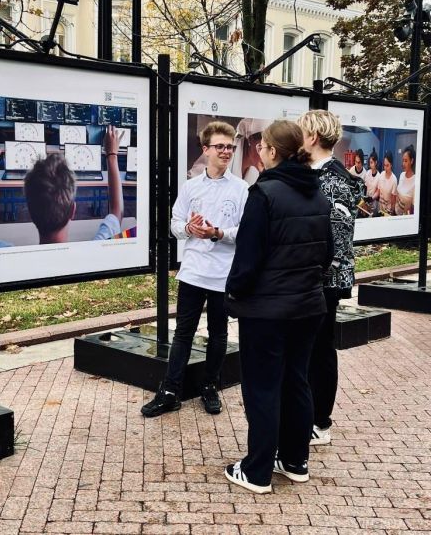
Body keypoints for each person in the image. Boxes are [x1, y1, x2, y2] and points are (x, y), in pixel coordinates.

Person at [223, 120, 333, 494]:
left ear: (271, 151)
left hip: (267, 310)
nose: (260, 152)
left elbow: (247, 259)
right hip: (307, 307)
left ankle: (256, 471)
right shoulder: (317, 195)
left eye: (263, 147)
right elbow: (328, 254)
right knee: (296, 381)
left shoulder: (264, 194)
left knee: (263, 387)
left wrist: (233, 294)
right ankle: (295, 459)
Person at [141, 121, 249, 417]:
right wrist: (189, 227)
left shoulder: (241, 189)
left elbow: (246, 231)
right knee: (183, 334)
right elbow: (174, 224)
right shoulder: (191, 186)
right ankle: (169, 391)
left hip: (222, 275)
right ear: (206, 150)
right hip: (192, 272)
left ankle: (210, 387)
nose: (226, 151)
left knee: (218, 335)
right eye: (220, 146)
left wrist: (218, 233)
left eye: (230, 146)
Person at [297, 110, 363, 446]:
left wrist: (314, 277)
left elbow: (336, 239)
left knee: (321, 350)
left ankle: (320, 421)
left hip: (325, 281)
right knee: (310, 350)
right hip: (311, 279)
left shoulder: (334, 179)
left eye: (301, 131)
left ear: (312, 137)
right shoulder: (312, 173)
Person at [0, 127, 123, 247]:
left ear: (29, 211)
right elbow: (117, 212)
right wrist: (112, 155)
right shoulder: (96, 251)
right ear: (73, 210)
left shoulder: (7, 259)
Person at [395, 145, 416, 215]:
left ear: (412, 161)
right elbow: (398, 193)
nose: (403, 164)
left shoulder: (415, 181)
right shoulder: (402, 175)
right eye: (403, 160)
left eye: (406, 161)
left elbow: (413, 208)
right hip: (396, 213)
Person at [376, 150, 397, 216]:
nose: (385, 168)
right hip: (380, 208)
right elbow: (378, 191)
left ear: (391, 165)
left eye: (387, 165)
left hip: (388, 211)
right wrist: (371, 198)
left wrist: (392, 212)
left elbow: (393, 200)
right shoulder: (381, 174)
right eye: (384, 165)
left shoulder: (394, 180)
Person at [363, 151, 380, 216]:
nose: (370, 165)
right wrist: (365, 197)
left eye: (372, 162)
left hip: (374, 202)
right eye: (370, 163)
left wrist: (371, 198)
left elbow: (378, 191)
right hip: (367, 201)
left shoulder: (379, 176)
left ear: (376, 162)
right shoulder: (368, 173)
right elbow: (365, 186)